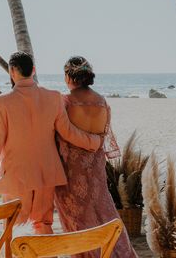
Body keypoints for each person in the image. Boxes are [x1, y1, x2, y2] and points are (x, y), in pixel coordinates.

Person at [0, 52, 102, 235]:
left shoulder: (0, 103)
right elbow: (68, 132)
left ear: (12, 71)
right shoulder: (53, 97)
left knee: (16, 230)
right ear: (33, 70)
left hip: (16, 176)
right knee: (43, 225)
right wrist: (95, 141)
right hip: (46, 174)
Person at [54, 56, 137, 258]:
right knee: (104, 213)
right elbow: (102, 138)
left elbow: (58, 135)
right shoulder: (102, 102)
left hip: (72, 173)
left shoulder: (65, 102)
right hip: (96, 170)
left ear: (68, 76)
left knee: (78, 220)